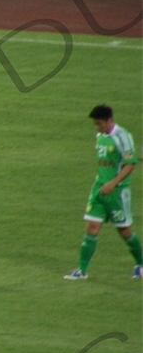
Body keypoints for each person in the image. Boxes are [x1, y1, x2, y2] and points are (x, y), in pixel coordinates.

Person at [64, 106, 143, 281]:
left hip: (117, 192)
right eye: (95, 124)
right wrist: (104, 184)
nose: (97, 127)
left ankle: (141, 265)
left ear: (109, 120)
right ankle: (82, 271)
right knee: (91, 227)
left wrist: (113, 183)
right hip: (99, 189)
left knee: (125, 231)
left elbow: (131, 164)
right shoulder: (100, 136)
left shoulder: (123, 137)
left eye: (99, 123)